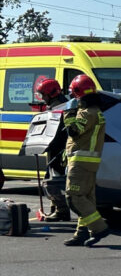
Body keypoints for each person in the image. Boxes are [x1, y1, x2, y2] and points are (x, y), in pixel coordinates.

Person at [62, 74, 110, 247]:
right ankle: (82, 233)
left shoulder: (87, 113)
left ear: (77, 93)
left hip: (81, 162)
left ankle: (99, 227)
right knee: (86, 198)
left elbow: (74, 131)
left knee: (74, 197)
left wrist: (68, 113)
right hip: (88, 162)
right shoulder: (96, 111)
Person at [34, 78, 70, 222]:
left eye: (43, 95)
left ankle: (61, 211)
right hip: (54, 150)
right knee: (52, 180)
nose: (42, 98)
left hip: (59, 152)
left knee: (53, 182)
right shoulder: (58, 106)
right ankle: (56, 208)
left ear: (52, 94)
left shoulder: (61, 109)